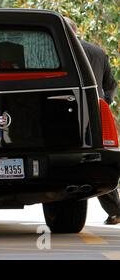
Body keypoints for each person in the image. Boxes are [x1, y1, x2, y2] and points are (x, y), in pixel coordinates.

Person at [65, 17, 120, 225]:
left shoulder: (64, 53)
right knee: (97, 158)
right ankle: (115, 210)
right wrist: (103, 103)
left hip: (69, 113)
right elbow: (111, 84)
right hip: (96, 112)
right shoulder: (98, 52)